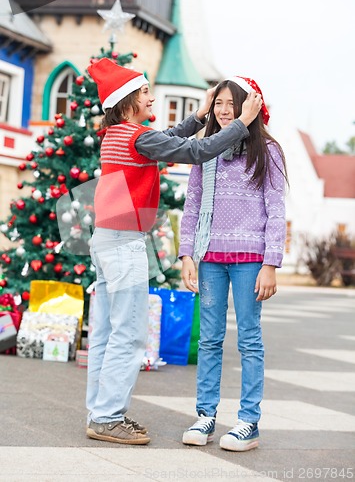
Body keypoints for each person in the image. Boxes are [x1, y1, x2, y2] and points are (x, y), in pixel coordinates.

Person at [85, 58, 262, 445]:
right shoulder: (137, 137)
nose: (152, 98)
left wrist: (198, 117)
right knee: (128, 334)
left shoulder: (116, 134)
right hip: (124, 242)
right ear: (130, 100)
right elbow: (196, 152)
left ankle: (98, 412)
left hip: (104, 239)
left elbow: (167, 138)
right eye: (146, 92)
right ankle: (107, 417)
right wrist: (240, 124)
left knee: (104, 331)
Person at [179, 76, 288, 451]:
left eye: (232, 104)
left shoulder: (267, 151)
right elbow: (191, 205)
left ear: (249, 107)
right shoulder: (204, 149)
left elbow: (276, 210)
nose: (225, 111)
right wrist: (186, 255)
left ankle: (248, 422)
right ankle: (205, 416)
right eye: (219, 104)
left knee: (249, 339)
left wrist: (271, 262)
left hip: (249, 260)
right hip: (210, 258)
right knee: (209, 339)